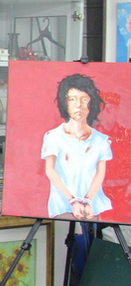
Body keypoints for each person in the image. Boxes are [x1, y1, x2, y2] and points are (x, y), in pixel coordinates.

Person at [42, 73, 112, 220]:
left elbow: (100, 173)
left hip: (93, 204)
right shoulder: (54, 136)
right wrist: (72, 200)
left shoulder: (101, 140)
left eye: (84, 99)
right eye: (72, 99)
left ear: (91, 103)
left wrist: (87, 200)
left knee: (94, 232)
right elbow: (50, 170)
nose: (78, 105)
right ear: (65, 103)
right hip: (62, 203)